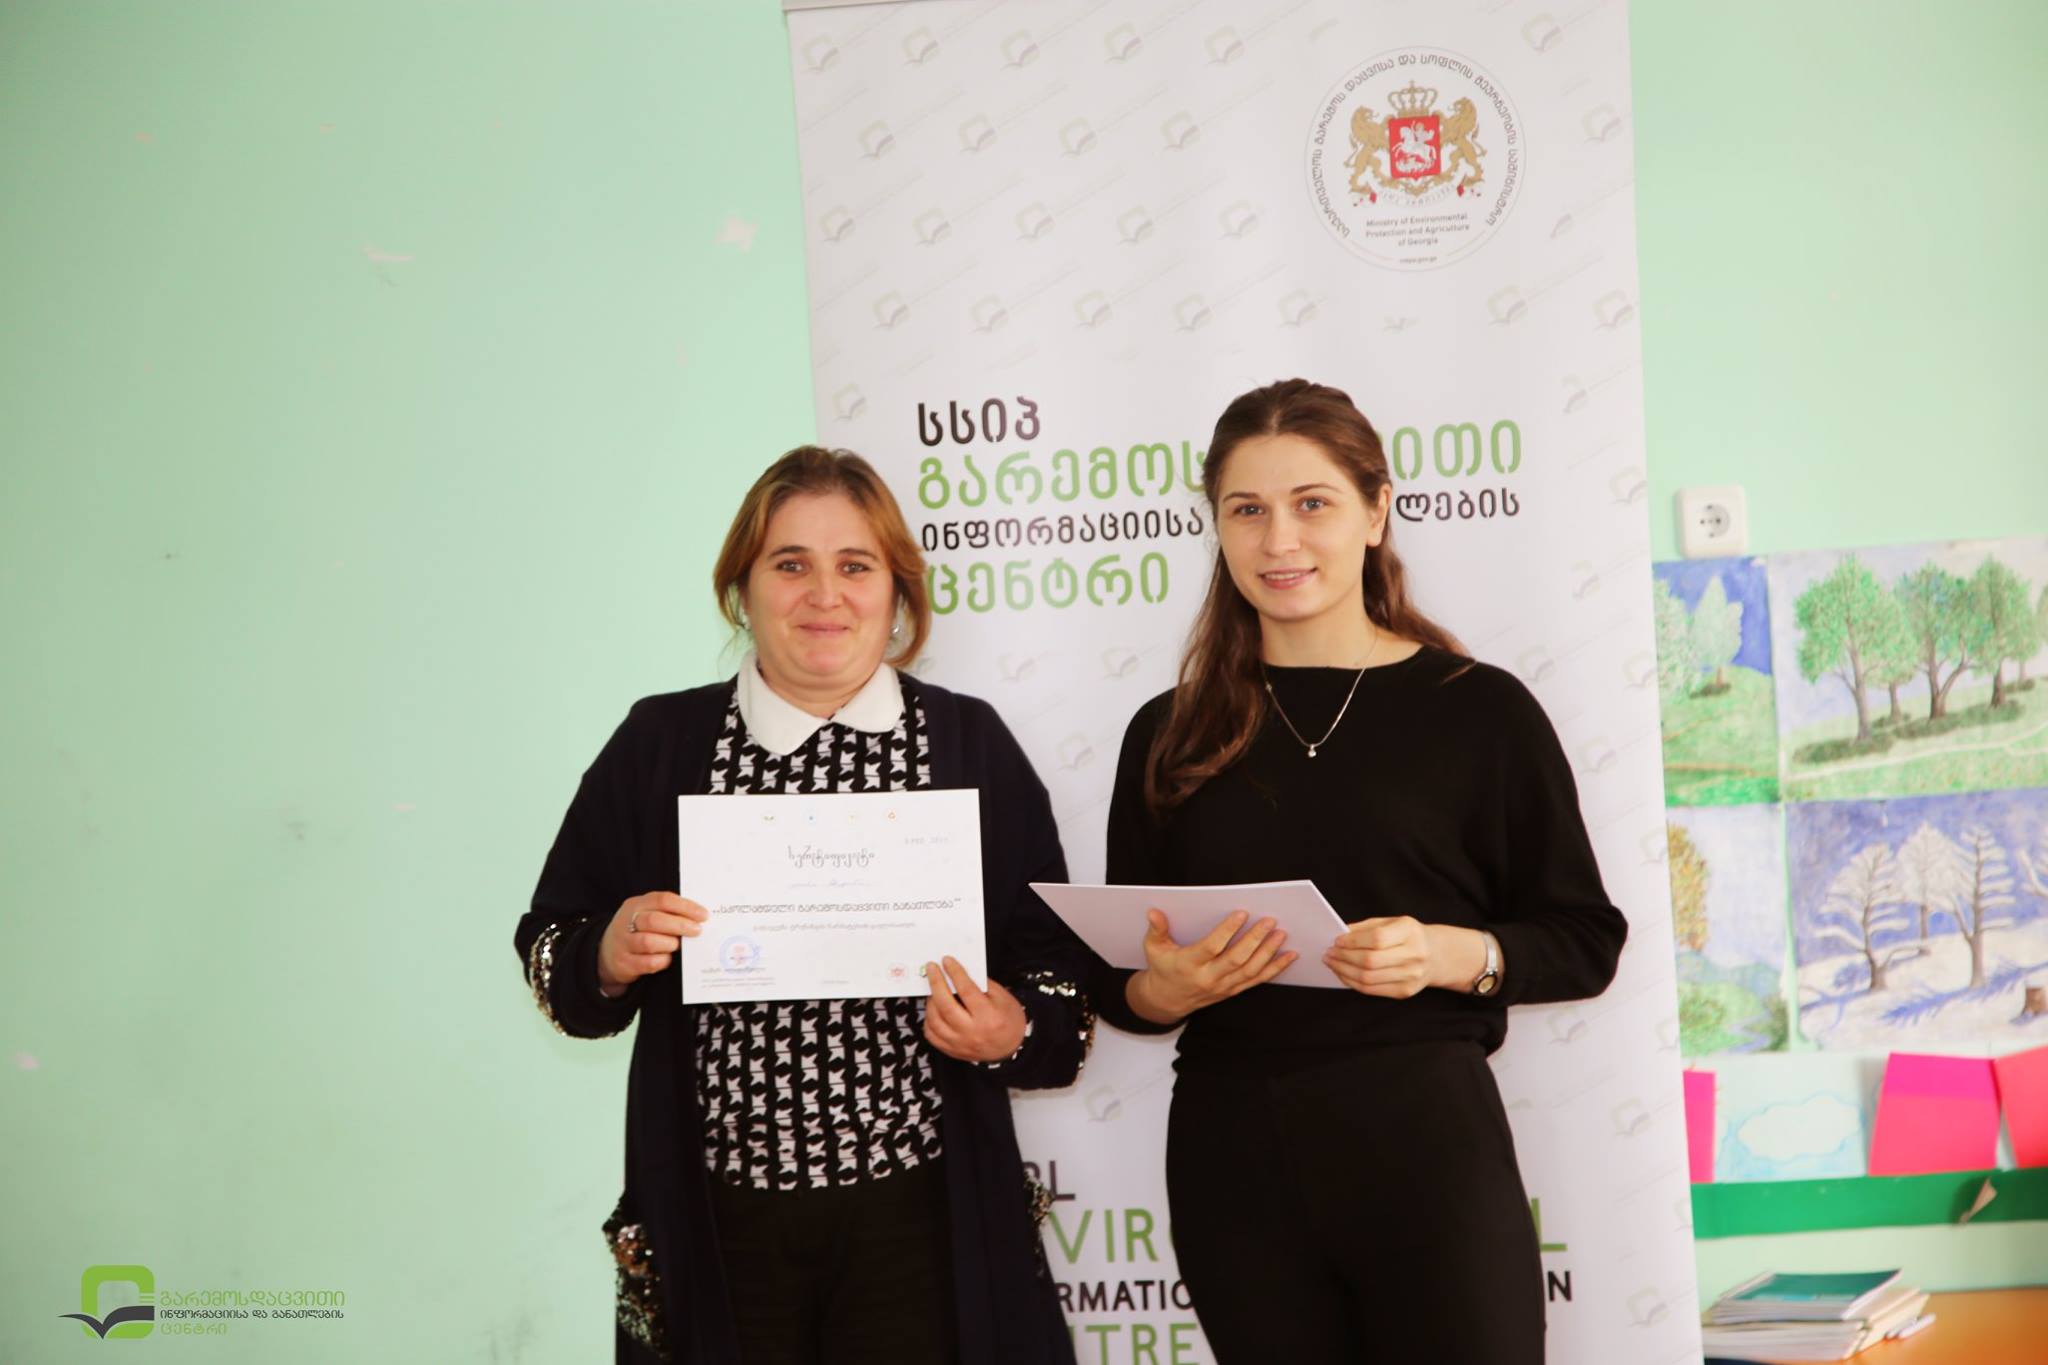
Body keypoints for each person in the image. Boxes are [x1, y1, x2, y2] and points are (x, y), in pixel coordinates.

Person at [1088, 379, 1629, 1365]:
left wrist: (1443, 954)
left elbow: (1585, 940)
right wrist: (1164, 989)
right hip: (1231, 1155)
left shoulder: (1481, 710)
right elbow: (1118, 980)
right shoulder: (1167, 732)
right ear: (1215, 527)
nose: (1278, 540)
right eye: (1246, 510)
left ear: (1376, 511)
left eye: (1313, 503)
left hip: (1426, 1141)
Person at [515, 446, 1091, 1365]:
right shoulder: (661, 743)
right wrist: (607, 954)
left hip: (922, 1224)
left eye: (855, 565)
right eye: (791, 563)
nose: (826, 594)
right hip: (720, 1230)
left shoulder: (968, 743)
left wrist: (1009, 1026)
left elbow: (1062, 983)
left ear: (897, 594)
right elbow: (552, 949)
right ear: (742, 589)